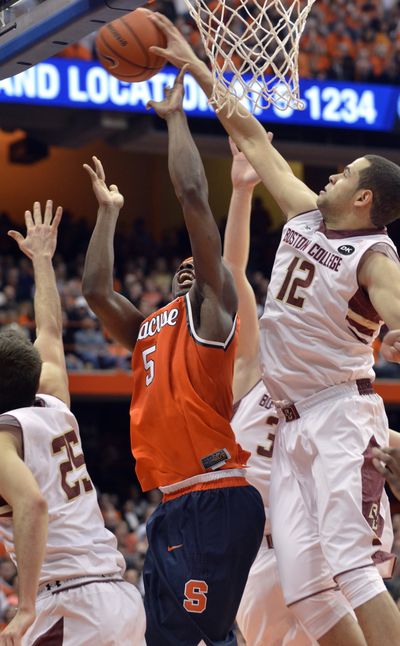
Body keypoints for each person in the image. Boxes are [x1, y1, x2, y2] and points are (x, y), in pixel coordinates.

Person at [147, 15, 400, 646]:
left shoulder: (377, 258)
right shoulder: (304, 213)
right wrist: (197, 66)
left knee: (355, 571)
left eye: (347, 172)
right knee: (308, 590)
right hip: (290, 426)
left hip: (341, 414)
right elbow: (250, 133)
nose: (333, 173)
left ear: (366, 199)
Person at [82, 69, 265, 646]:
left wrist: (176, 120)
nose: (190, 263)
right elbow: (93, 292)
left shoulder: (214, 314)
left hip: (214, 495)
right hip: (172, 505)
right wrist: (109, 213)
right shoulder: (147, 327)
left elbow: (191, 197)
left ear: (208, 277)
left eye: (199, 262)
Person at [0, 200, 146, 645]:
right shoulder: (55, 406)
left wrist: (24, 607)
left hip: (68, 604)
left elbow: (33, 505)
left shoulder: (4, 438)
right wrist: (42, 262)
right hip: (116, 598)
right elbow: (49, 333)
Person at [224, 137, 317, 645]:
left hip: (311, 543)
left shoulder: (326, 385)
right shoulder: (250, 374)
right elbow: (234, 271)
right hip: (255, 553)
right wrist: (241, 191)